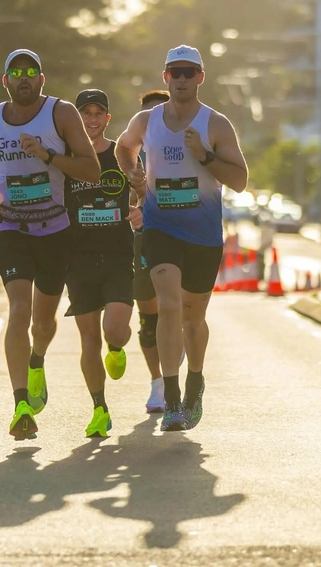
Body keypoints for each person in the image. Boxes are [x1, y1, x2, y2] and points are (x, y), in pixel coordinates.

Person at [116, 45, 248, 432]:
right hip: (160, 227)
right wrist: (132, 172)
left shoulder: (216, 124)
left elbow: (240, 181)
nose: (182, 79)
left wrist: (204, 156)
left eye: (190, 72)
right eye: (175, 72)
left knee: (194, 317)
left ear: (201, 77)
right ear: (165, 78)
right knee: (169, 306)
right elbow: (125, 148)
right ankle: (172, 400)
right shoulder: (147, 120)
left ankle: (195, 382)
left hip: (203, 233)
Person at [0, 48, 100, 440]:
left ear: (41, 80)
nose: (23, 78)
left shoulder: (60, 114)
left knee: (44, 323)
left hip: (55, 231)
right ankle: (21, 403)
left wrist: (47, 155)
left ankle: (37, 360)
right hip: (12, 230)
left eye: (31, 72)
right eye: (16, 73)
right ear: (5, 81)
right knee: (19, 311)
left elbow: (92, 170)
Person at [65, 88, 143, 438]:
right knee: (87, 340)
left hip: (116, 255)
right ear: (76, 119)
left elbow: (142, 188)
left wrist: (140, 206)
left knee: (113, 330)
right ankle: (100, 409)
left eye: (98, 113)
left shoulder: (120, 154)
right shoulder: (66, 157)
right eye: (85, 113)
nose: (92, 119)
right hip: (77, 259)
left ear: (107, 119)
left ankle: (117, 346)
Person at [133, 89, 171, 413]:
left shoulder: (182, 149)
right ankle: (157, 383)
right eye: (147, 114)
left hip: (181, 236)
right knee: (149, 320)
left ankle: (174, 379)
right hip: (142, 239)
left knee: (175, 311)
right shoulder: (129, 154)